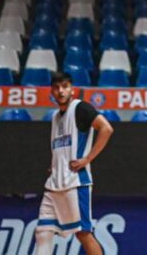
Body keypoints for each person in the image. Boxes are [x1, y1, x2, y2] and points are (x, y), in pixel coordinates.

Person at [35, 70, 114, 255]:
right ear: (51, 92)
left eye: (65, 87)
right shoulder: (55, 117)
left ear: (72, 90)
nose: (61, 91)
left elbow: (106, 128)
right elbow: (62, 146)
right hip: (54, 184)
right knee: (43, 232)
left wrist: (87, 159)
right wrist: (55, 163)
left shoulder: (81, 108)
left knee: (83, 234)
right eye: (56, 88)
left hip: (75, 183)